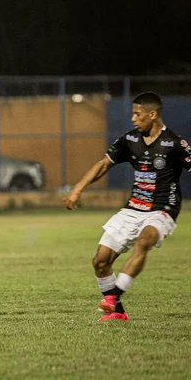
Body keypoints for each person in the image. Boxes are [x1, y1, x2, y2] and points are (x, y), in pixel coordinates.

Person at [64, 92, 191, 321]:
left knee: (144, 241)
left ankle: (113, 297)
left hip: (162, 209)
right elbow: (104, 164)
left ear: (152, 115)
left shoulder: (174, 143)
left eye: (137, 114)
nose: (133, 118)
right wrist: (77, 189)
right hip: (132, 209)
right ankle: (118, 313)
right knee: (100, 261)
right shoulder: (130, 140)